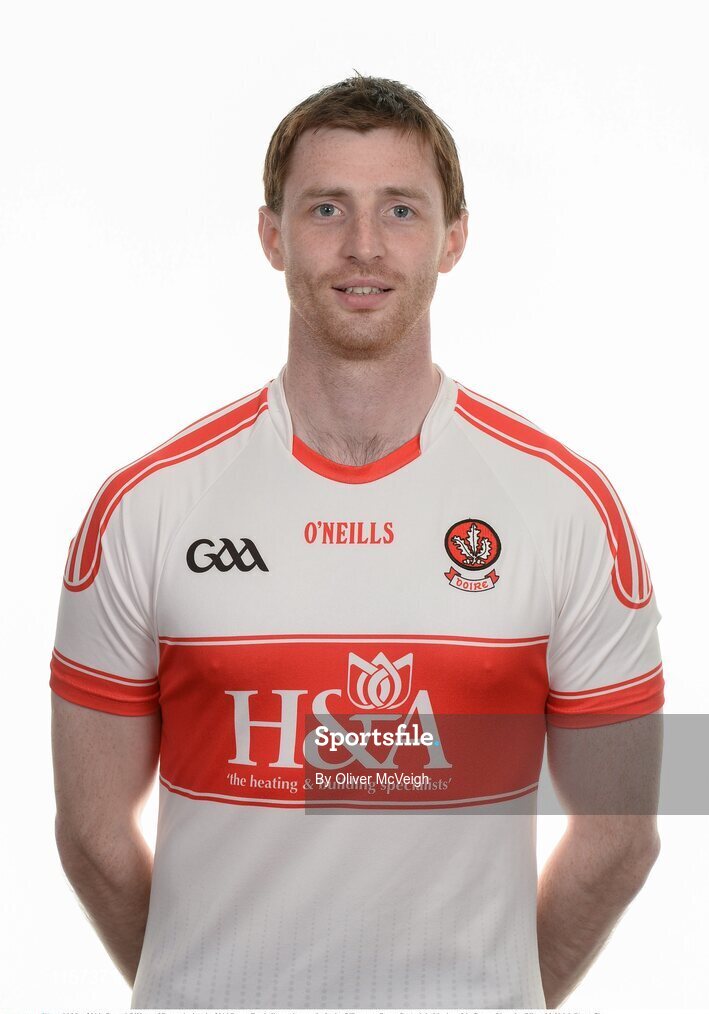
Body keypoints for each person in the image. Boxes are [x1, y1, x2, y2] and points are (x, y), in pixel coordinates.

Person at [50, 72, 664, 1009]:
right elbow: (90, 829)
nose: (364, 246)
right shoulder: (148, 507)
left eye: (402, 210)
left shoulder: (565, 508)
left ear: (453, 238)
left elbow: (620, 834)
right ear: (272, 235)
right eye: (326, 207)